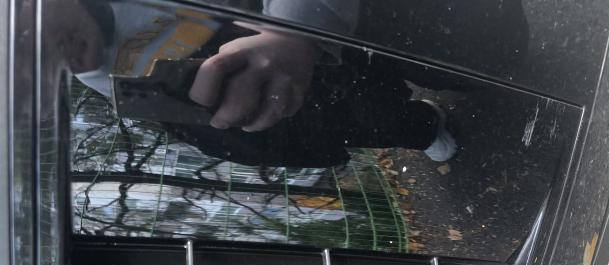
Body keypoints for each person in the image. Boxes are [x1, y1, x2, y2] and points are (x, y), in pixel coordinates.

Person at [50, 0, 527, 167]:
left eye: (20, 30)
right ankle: (423, 126)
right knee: (374, 119)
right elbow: (201, 126)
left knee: (493, 56)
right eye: (25, 68)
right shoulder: (109, 85)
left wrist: (293, 32)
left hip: (352, 19)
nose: (49, 54)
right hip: (297, 94)